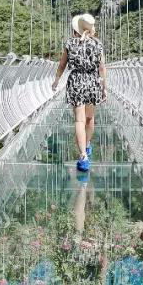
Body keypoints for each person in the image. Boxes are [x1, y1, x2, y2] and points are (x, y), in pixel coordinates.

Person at [52, 13, 107, 171]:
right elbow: (102, 68)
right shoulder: (97, 44)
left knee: (79, 121)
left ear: (76, 28)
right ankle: (87, 146)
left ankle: (83, 156)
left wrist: (56, 80)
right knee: (90, 119)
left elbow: (62, 65)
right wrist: (104, 88)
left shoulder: (70, 44)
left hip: (76, 82)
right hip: (92, 82)